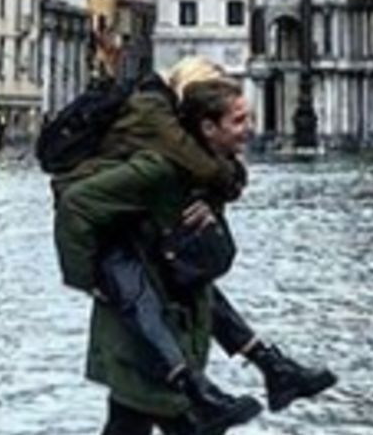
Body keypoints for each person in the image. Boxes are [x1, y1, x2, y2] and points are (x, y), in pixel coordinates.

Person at [57, 67, 334, 435]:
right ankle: (262, 373)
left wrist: (213, 205)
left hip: (166, 325)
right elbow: (76, 204)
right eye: (238, 121)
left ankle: (269, 369)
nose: (249, 128)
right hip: (145, 329)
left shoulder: (201, 175)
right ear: (207, 128)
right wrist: (85, 278)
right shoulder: (159, 168)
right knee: (163, 416)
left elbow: (202, 245)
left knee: (133, 420)